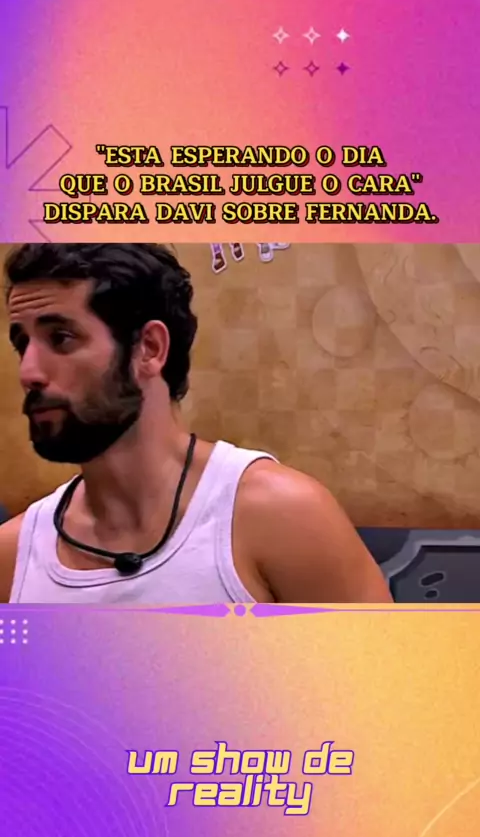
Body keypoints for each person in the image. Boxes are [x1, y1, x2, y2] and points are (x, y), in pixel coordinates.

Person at [0, 243, 392, 604]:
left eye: (61, 338)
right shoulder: (12, 556)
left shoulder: (281, 516)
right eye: (22, 345)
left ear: (149, 349)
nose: (28, 373)